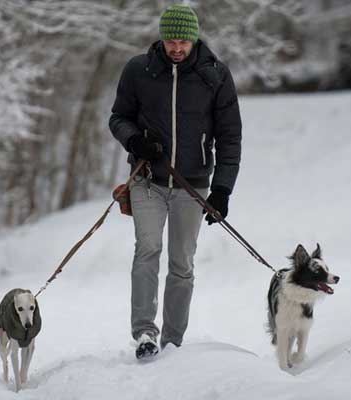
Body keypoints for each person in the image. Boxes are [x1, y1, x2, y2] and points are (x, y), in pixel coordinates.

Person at [109, 4, 242, 360]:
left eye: (184, 41)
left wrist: (223, 189)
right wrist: (135, 141)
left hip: (192, 184)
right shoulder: (139, 70)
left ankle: (173, 341)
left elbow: (230, 137)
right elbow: (119, 117)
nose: (177, 48)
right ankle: (144, 334)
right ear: (162, 38)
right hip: (148, 181)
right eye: (171, 40)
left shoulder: (215, 75)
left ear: (194, 38)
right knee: (147, 251)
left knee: (182, 262)